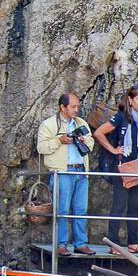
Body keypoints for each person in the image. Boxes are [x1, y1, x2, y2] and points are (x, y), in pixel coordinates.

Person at [95, 86, 138, 254]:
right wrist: (114, 150)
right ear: (130, 100)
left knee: (135, 205)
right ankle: (114, 244)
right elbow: (99, 133)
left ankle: (133, 242)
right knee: (119, 205)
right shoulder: (121, 117)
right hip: (123, 166)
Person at [36, 91, 95, 257]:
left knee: (81, 209)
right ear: (62, 107)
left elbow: (91, 144)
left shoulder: (81, 123)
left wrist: (84, 140)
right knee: (62, 209)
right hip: (62, 171)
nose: (76, 109)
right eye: (73, 106)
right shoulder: (49, 125)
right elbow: (41, 148)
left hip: (81, 171)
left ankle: (80, 244)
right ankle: (61, 244)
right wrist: (59, 140)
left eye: (78, 106)